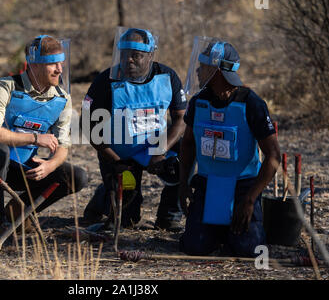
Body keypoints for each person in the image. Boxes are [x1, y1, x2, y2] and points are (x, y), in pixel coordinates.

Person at [0, 35, 87, 239]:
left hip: (20, 167)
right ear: (34, 65)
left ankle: (19, 212)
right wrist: (36, 139)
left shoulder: (62, 99)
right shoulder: (6, 87)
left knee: (76, 177)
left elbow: (63, 145)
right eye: (52, 64)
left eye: (61, 63)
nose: (59, 69)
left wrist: (50, 165)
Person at [178, 38, 281, 257]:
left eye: (204, 66)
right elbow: (187, 144)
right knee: (195, 247)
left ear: (218, 71)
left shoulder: (251, 103)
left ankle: (235, 229)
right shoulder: (199, 102)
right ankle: (216, 230)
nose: (197, 70)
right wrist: (183, 183)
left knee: (249, 250)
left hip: (243, 187)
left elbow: (273, 156)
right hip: (207, 184)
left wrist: (250, 199)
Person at [81, 27, 187, 231]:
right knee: (127, 220)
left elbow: (181, 118)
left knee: (186, 156)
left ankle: (169, 215)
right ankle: (103, 196)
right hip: (119, 153)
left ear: (150, 56)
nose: (129, 60)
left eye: (136, 56)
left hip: (156, 148)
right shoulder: (106, 80)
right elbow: (88, 125)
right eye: (124, 55)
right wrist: (115, 160)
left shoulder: (167, 76)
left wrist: (161, 150)